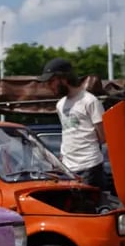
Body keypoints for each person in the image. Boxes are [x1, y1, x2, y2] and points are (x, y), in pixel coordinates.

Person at [36, 58, 106, 189]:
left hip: (90, 167)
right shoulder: (60, 105)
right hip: (68, 170)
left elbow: (103, 136)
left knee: (88, 208)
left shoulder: (90, 101)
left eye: (51, 81)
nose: (49, 86)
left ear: (64, 78)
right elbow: (67, 133)